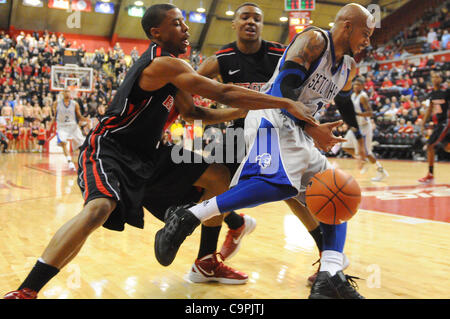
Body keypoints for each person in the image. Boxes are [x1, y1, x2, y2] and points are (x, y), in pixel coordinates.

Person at [3, 4, 317, 299]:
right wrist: (284, 102)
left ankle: (208, 259)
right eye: (176, 23)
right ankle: (27, 290)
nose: (185, 28)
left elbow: (194, 114)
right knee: (100, 209)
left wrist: (238, 113)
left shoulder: (176, 68)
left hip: (149, 154)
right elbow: (220, 91)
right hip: (111, 146)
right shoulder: (164, 63)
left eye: (184, 22)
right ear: (156, 33)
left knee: (219, 178)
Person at [155, 3, 375, 299]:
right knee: (278, 184)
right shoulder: (314, 40)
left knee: (337, 194)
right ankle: (192, 217)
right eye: (366, 32)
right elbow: (285, 91)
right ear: (347, 26)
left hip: (299, 129)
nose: (368, 40)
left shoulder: (347, 66)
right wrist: (313, 129)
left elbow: (346, 103)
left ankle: (330, 276)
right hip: (271, 118)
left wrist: (357, 136)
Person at [195, 2, 347, 286]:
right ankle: (210, 255)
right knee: (212, 182)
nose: (250, 22)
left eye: (256, 18)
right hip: (238, 134)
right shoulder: (222, 58)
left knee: (291, 192)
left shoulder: (283, 52)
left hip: (274, 131)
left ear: (262, 25)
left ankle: (327, 255)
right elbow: (191, 82)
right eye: (244, 17)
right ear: (235, 23)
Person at [341, 77, 388, 182]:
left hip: (364, 127)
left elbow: (371, 113)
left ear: (362, 86)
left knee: (367, 152)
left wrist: (357, 114)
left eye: (358, 84)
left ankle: (381, 171)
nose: (356, 86)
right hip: (355, 126)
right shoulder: (353, 95)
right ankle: (363, 159)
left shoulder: (363, 97)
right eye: (355, 84)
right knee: (345, 146)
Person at [418, 71, 449, 183]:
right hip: (438, 124)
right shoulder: (432, 93)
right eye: (433, 77)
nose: (435, 78)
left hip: (446, 123)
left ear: (441, 79)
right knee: (443, 147)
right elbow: (430, 109)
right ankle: (430, 174)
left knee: (432, 146)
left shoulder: (446, 92)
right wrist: (423, 123)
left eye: (437, 77)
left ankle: (430, 174)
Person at [50, 89, 88, 171]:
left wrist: (85, 119)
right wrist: (51, 125)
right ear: (63, 93)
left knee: (82, 146)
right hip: (61, 126)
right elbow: (55, 116)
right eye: (65, 91)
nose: (67, 93)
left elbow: (79, 116)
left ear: (70, 93)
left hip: (73, 126)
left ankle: (83, 162)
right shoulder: (56, 104)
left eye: (68, 91)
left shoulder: (75, 104)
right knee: (63, 143)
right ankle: (70, 161)